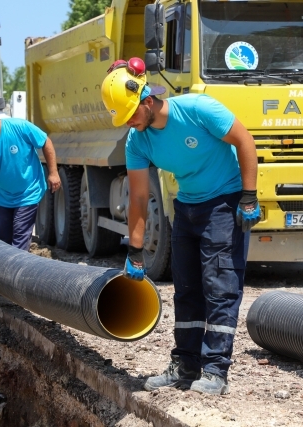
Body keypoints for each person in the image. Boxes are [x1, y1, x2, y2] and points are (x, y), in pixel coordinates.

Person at [101, 60, 261, 395]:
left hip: (223, 202)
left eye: (130, 114)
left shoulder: (197, 109)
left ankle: (215, 370)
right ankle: (185, 364)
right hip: (187, 207)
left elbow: (245, 141)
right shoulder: (137, 141)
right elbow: (138, 198)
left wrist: (248, 197)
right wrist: (135, 250)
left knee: (220, 286)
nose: (129, 123)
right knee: (186, 288)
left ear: (147, 101)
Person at [0, 94, 61, 251]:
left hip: (28, 192)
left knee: (19, 238)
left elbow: (45, 141)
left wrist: (53, 172)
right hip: (3, 197)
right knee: (3, 242)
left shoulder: (19, 127)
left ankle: (19, 266)